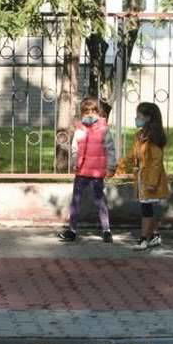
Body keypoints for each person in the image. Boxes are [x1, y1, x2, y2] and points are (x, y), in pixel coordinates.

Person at [58, 97, 116, 243]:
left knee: (100, 200)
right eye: (86, 112)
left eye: (93, 111)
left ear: (98, 112)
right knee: (76, 201)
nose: (90, 114)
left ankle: (106, 230)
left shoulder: (104, 129)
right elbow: (74, 149)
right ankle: (72, 230)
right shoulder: (79, 130)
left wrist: (111, 167)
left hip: (97, 172)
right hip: (82, 171)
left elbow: (110, 150)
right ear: (82, 113)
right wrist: (73, 162)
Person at [131, 102, 170, 250]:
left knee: (146, 209)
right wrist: (120, 167)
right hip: (142, 177)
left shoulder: (153, 138)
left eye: (139, 116)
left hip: (150, 179)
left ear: (148, 118)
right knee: (147, 208)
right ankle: (154, 235)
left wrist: (152, 181)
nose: (136, 119)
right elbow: (133, 155)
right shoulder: (140, 135)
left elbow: (156, 162)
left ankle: (143, 239)